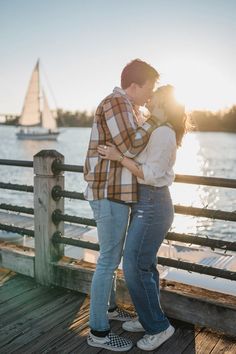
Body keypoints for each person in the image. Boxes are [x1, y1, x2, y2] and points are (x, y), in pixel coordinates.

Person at [98, 85, 188, 351]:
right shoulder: (157, 128)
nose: (149, 101)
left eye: (154, 99)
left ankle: (159, 327)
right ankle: (149, 317)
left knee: (134, 266)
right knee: (145, 266)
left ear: (164, 105)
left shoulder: (163, 132)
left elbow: (149, 173)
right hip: (147, 204)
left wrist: (119, 157)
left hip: (153, 204)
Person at [83, 59, 160, 351]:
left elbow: (130, 149)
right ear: (134, 85)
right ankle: (98, 333)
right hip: (109, 193)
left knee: (110, 257)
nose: (150, 94)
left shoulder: (130, 107)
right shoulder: (116, 103)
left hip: (116, 193)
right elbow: (130, 144)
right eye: (149, 87)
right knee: (107, 261)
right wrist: (155, 120)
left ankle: (111, 311)